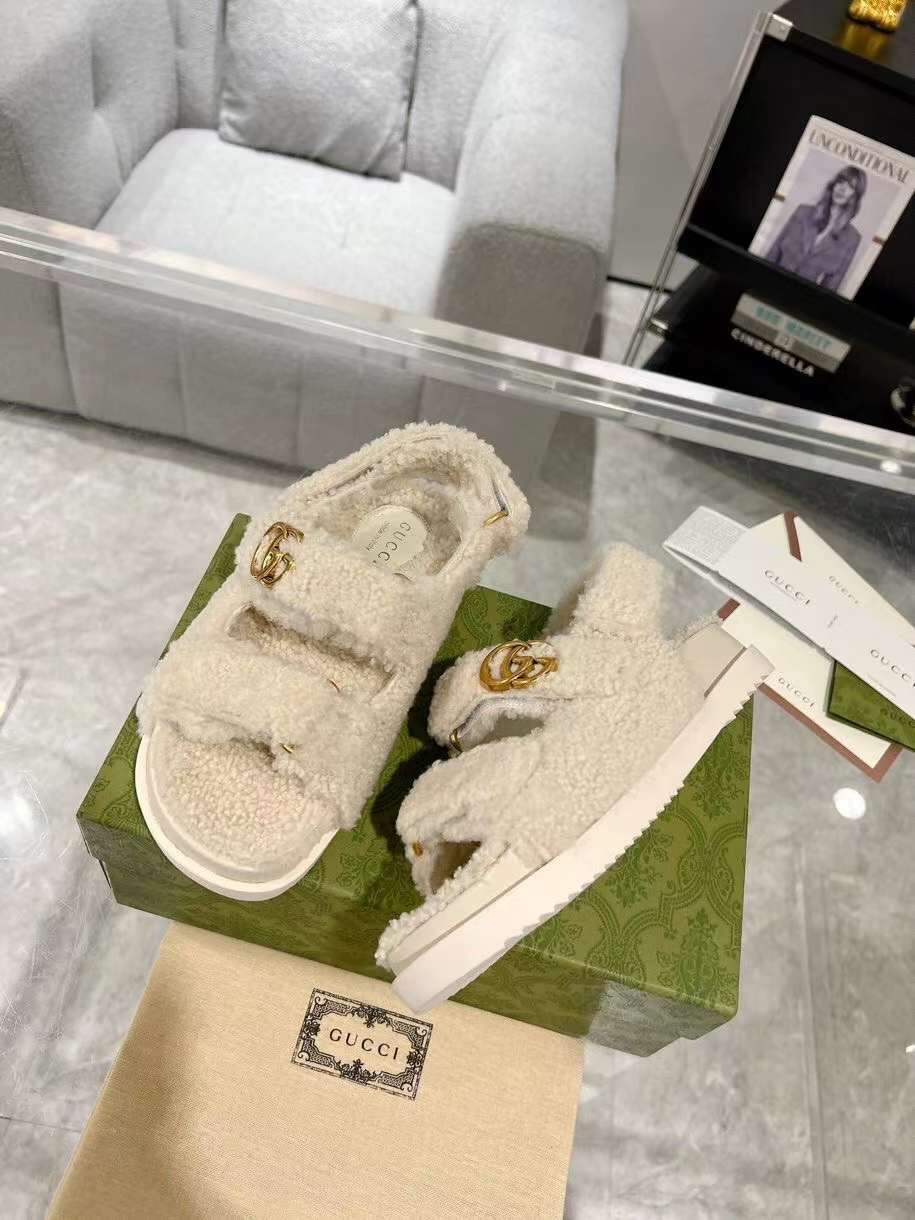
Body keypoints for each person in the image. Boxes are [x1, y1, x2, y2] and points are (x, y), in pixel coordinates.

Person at [765, 166, 867, 292]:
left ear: (856, 195)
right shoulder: (802, 212)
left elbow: (831, 286)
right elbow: (774, 252)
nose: (842, 189)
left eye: (850, 186)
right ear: (833, 185)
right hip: (770, 283)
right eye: (840, 181)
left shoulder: (852, 239)